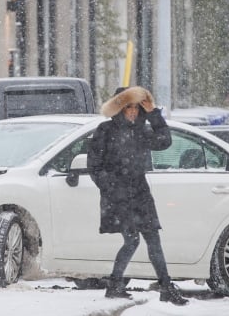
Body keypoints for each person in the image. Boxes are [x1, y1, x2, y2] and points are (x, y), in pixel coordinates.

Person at [87, 86, 188, 306]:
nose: (132, 112)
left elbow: (165, 140)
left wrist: (153, 113)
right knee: (132, 240)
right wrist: (112, 187)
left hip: (140, 192)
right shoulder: (105, 130)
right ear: (119, 108)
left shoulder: (141, 130)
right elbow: (94, 167)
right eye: (128, 107)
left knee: (152, 239)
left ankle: (164, 287)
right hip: (118, 194)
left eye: (136, 108)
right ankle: (116, 285)